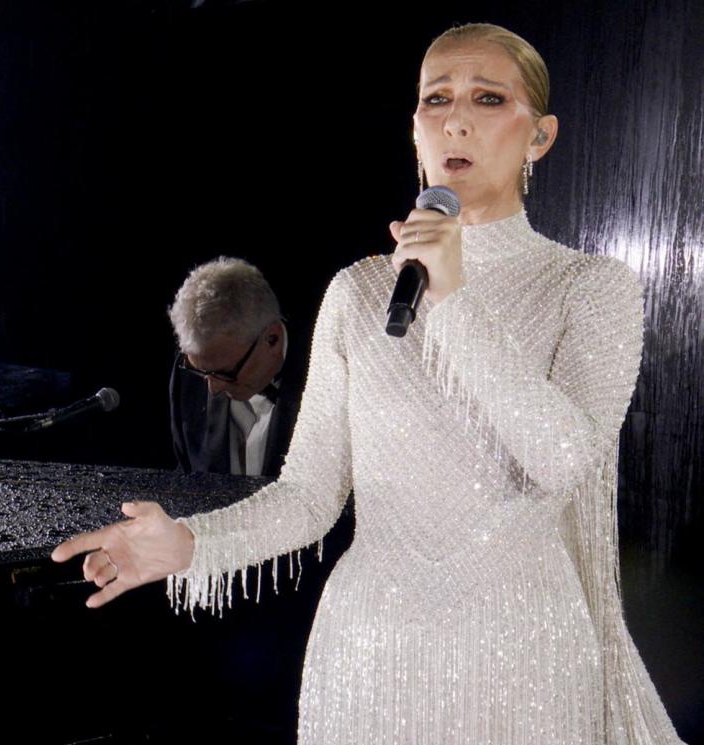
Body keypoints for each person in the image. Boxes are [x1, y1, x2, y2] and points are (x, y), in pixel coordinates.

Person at [52, 22, 685, 744]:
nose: (455, 117)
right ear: (414, 129)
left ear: (539, 136)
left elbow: (565, 457)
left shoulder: (591, 287)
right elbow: (311, 495)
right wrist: (191, 545)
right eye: (435, 98)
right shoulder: (358, 292)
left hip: (526, 659)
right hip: (368, 658)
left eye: (487, 98)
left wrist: (455, 300)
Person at [168, 257, 300, 477]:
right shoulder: (190, 375)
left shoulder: (330, 381)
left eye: (225, 373)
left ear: (272, 339)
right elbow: (188, 481)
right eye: (200, 371)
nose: (212, 388)